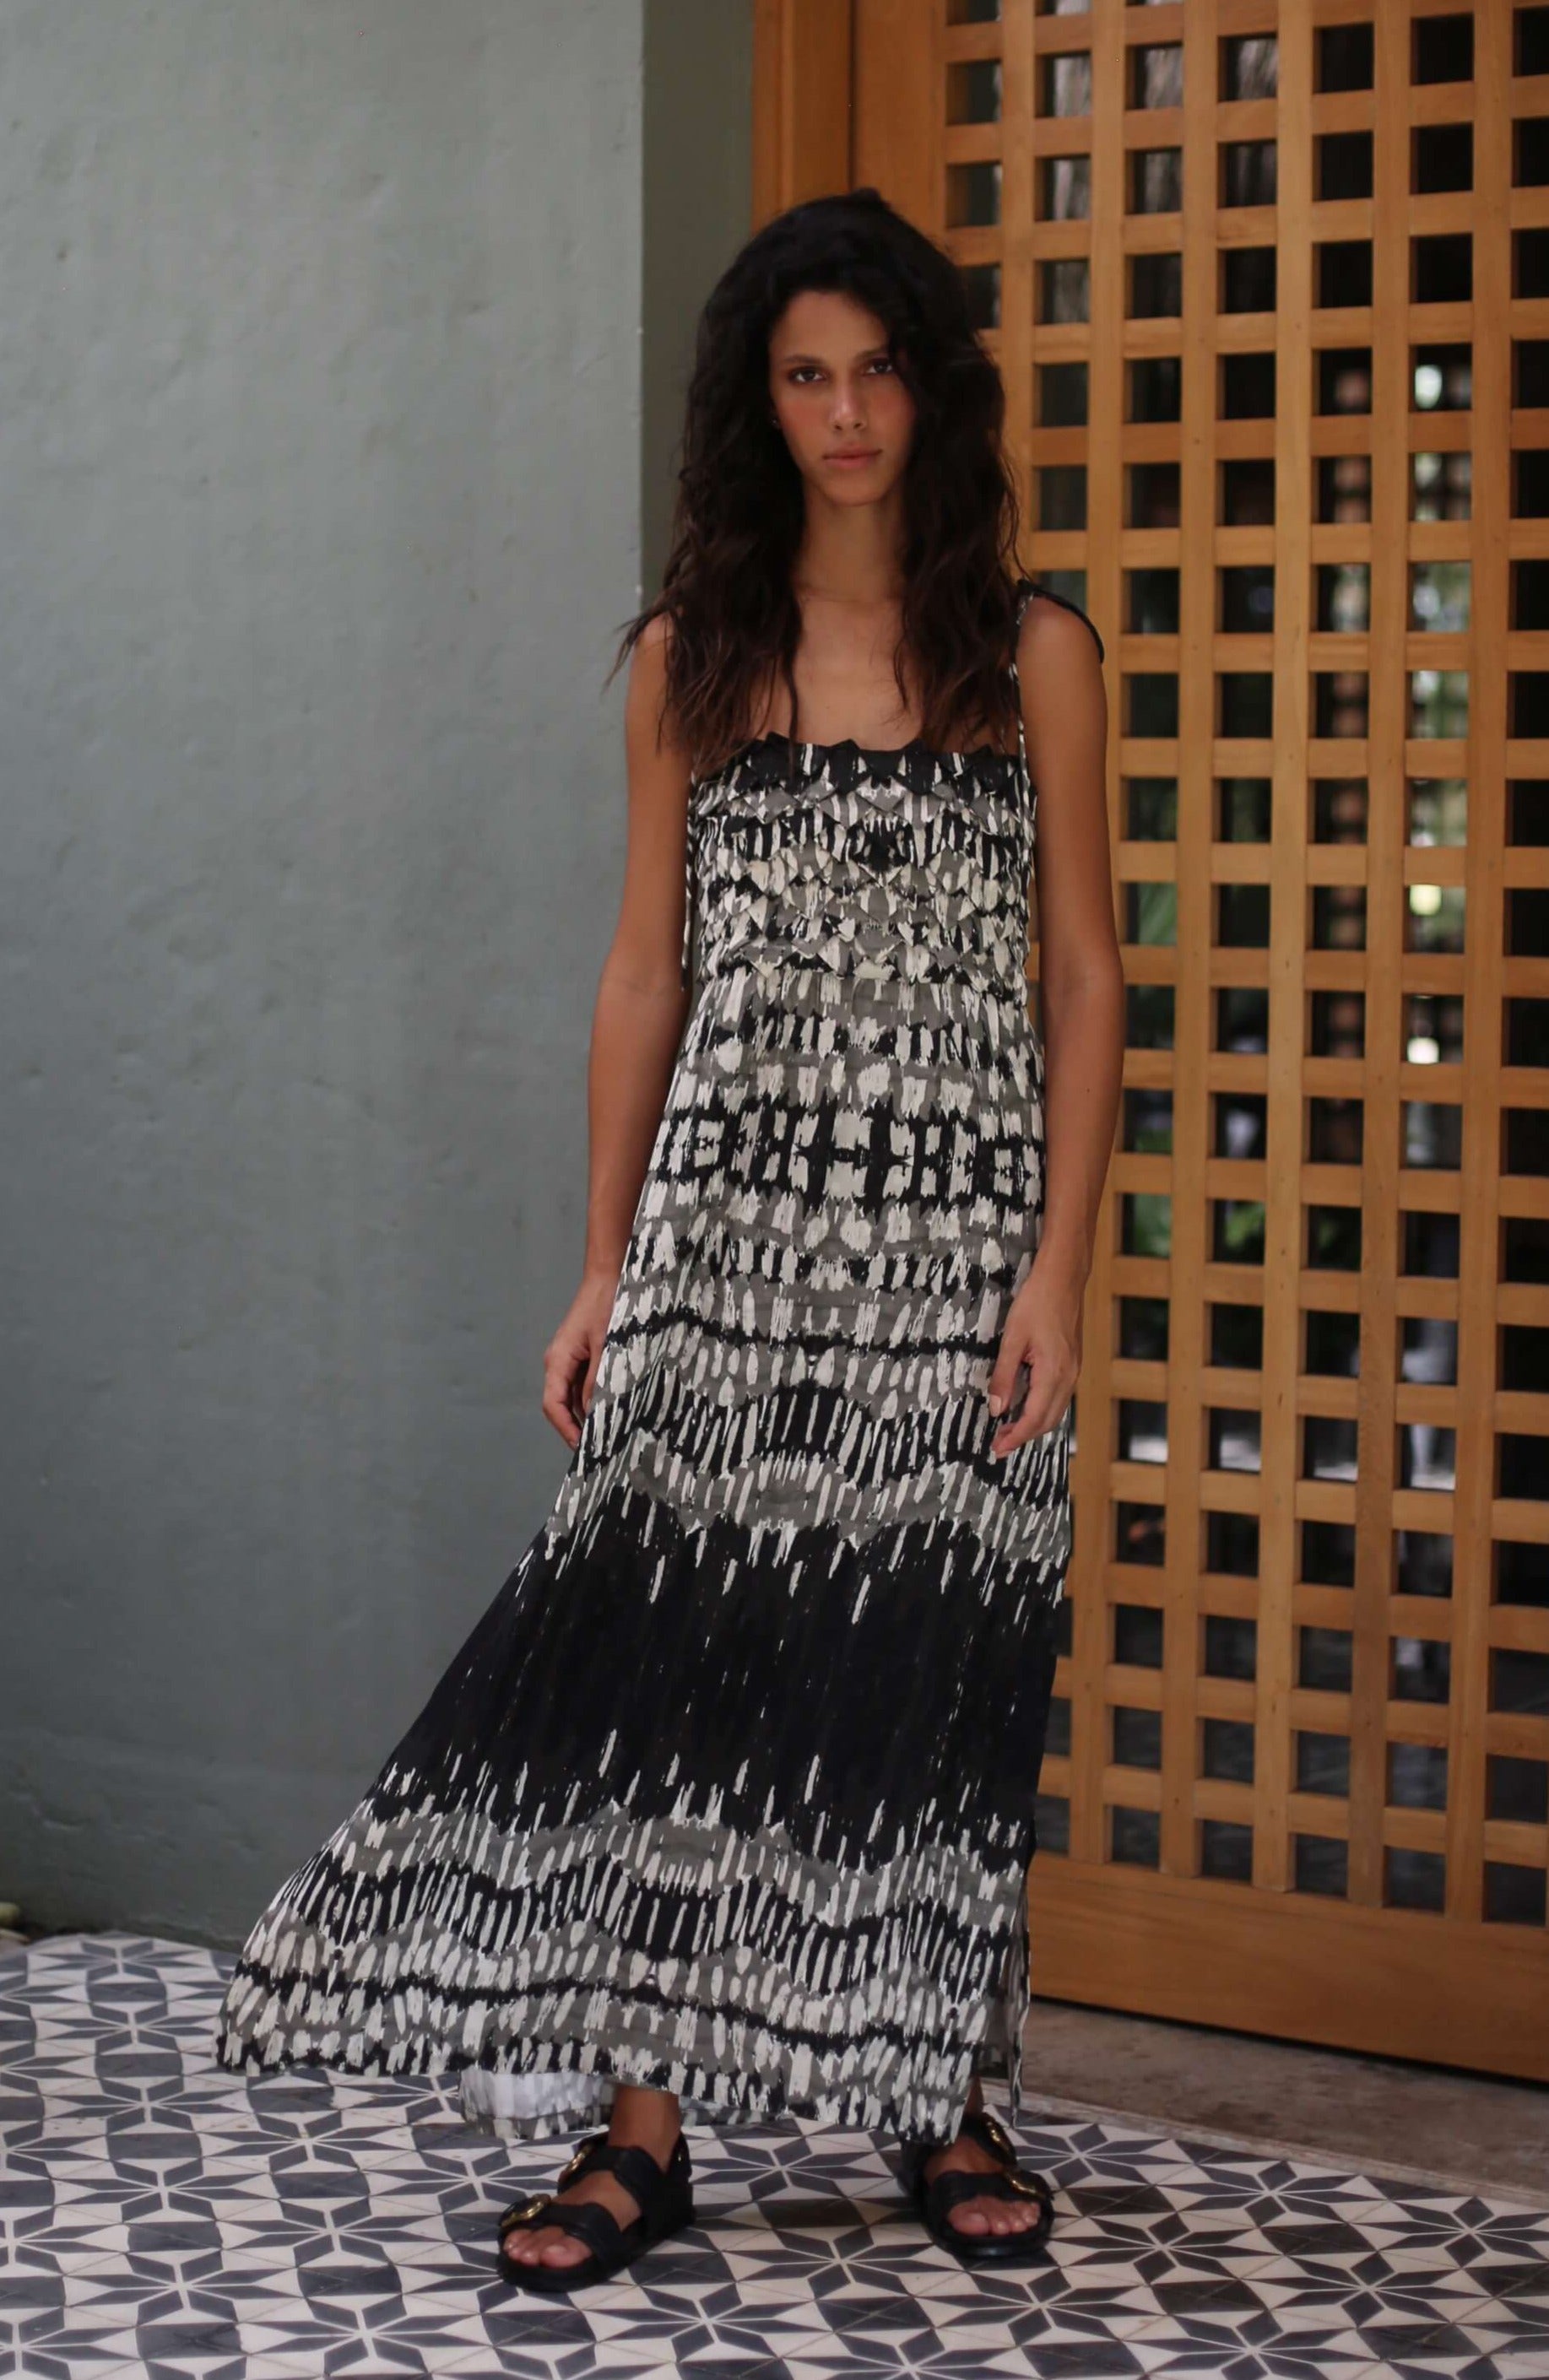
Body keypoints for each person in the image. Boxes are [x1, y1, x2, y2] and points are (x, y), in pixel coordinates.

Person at [214, 187, 1122, 2296]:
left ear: (932, 388)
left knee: (934, 1660)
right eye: (805, 376)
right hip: (722, 1243)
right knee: (668, 1668)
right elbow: (644, 975)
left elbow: (1086, 976)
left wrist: (1059, 1270)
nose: (846, 412)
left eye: (876, 369)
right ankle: (642, 2130)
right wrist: (604, 1263)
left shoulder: (1035, 655)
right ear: (756, 405)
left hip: (955, 1256)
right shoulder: (687, 661)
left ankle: (938, 2094)